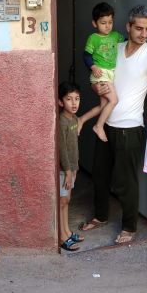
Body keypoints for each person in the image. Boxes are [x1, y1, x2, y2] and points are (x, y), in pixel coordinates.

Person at [79, 5, 147, 244]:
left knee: (126, 183)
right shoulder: (115, 46)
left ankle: (129, 226)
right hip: (106, 124)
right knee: (100, 176)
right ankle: (101, 216)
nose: (144, 34)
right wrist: (96, 87)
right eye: (139, 28)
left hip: (130, 128)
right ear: (128, 27)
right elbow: (99, 76)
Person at [57, 81, 93, 251]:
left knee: (67, 200)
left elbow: (74, 148)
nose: (74, 103)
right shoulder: (62, 122)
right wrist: (69, 171)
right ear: (60, 102)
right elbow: (63, 149)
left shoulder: (74, 120)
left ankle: (67, 231)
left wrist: (76, 168)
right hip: (64, 170)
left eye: (77, 99)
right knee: (63, 201)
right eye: (69, 99)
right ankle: (62, 237)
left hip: (72, 169)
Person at [81, 2, 124, 142]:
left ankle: (81, 119)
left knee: (103, 105)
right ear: (95, 23)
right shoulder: (93, 38)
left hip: (110, 73)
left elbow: (127, 43)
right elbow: (86, 55)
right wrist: (93, 67)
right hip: (100, 73)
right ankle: (99, 126)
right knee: (114, 100)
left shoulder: (116, 36)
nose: (107, 26)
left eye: (110, 22)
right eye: (103, 23)